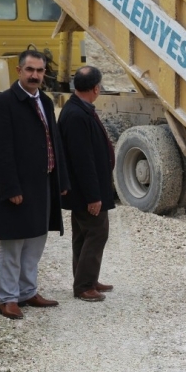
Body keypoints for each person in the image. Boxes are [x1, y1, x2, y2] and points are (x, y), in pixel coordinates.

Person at [0, 49, 70, 320]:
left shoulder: (45, 102)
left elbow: (54, 142)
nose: (35, 75)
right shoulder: (3, 104)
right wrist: (11, 188)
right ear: (19, 71)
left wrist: (61, 180)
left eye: (40, 71)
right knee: (13, 243)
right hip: (17, 187)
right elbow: (0, 151)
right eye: (30, 70)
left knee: (36, 240)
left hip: (42, 183)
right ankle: (7, 298)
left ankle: (27, 291)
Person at [57, 66, 116, 302]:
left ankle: (87, 278)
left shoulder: (79, 109)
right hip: (85, 191)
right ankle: (83, 285)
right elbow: (83, 160)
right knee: (97, 232)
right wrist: (93, 196)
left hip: (84, 189)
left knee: (83, 234)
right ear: (96, 88)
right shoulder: (76, 115)